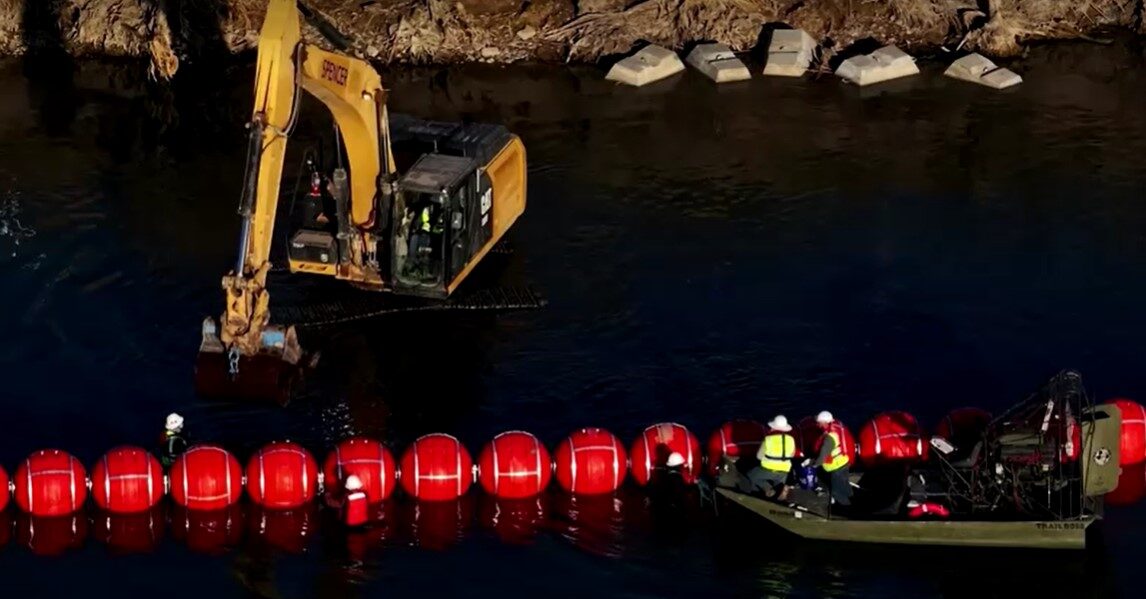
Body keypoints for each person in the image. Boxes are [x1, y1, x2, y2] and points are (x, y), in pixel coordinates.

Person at [806, 410, 852, 507]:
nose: (817, 424)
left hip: (836, 467)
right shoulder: (834, 430)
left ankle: (846, 508)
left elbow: (822, 458)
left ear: (824, 423)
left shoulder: (829, 438)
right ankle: (851, 497)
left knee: (836, 491)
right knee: (844, 484)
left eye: (819, 422)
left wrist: (812, 463)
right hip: (843, 462)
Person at [749, 415, 800, 501]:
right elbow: (792, 454)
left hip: (768, 468)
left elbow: (759, 456)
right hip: (785, 470)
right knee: (778, 488)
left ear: (773, 428)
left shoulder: (768, 439)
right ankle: (781, 495)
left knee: (751, 475)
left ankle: (767, 489)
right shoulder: (791, 439)